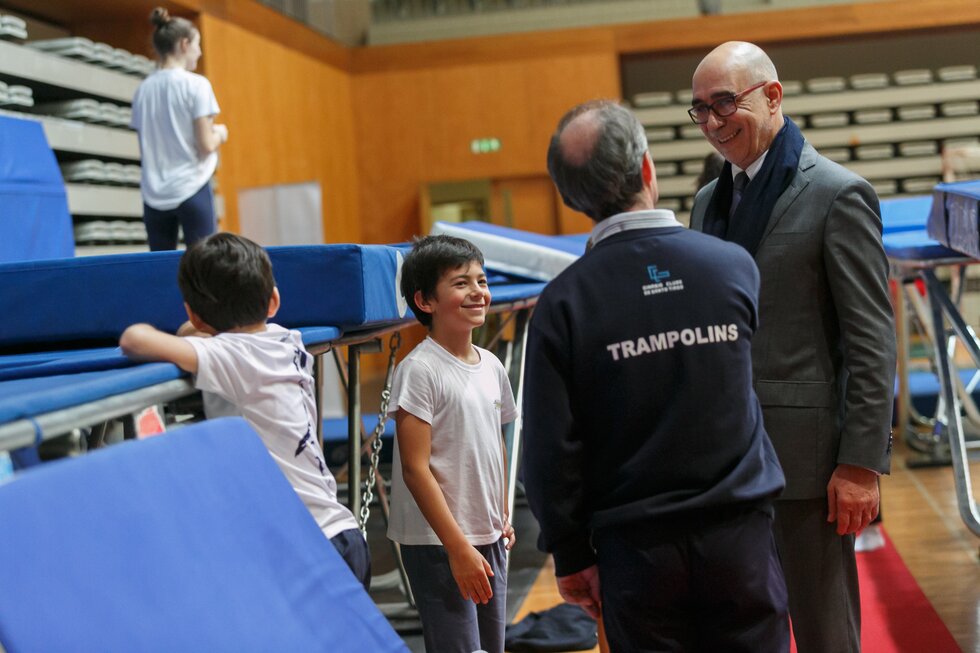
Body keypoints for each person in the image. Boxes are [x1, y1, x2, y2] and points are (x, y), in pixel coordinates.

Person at [522, 99, 789, 652]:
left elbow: (549, 449)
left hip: (635, 555)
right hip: (738, 540)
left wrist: (571, 556)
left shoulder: (561, 304)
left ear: (571, 200)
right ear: (647, 168)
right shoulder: (732, 267)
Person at [689, 41, 896, 652]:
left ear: (772, 96)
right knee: (745, 631)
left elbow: (871, 339)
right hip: (726, 461)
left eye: (725, 102)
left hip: (808, 467)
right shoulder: (708, 203)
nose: (712, 122)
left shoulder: (837, 193)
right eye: (699, 109)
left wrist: (860, 464)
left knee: (826, 633)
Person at [118, 232, 369, 589]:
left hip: (305, 545)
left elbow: (135, 339)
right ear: (274, 301)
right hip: (339, 533)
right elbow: (198, 333)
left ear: (193, 311)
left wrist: (197, 326)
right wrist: (202, 326)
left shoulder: (232, 356)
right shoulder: (286, 339)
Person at [387, 234, 518, 653]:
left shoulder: (492, 366)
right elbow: (414, 467)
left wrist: (500, 511)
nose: (477, 291)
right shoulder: (419, 370)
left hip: (487, 532)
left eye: (481, 280)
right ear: (425, 301)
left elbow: (494, 440)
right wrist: (457, 546)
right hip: (438, 541)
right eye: (461, 283)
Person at [131, 7, 228, 251]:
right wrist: (222, 133)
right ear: (184, 44)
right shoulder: (197, 85)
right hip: (191, 188)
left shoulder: (142, 90)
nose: (200, 51)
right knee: (205, 267)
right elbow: (206, 143)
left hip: (154, 195)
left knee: (160, 271)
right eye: (198, 44)